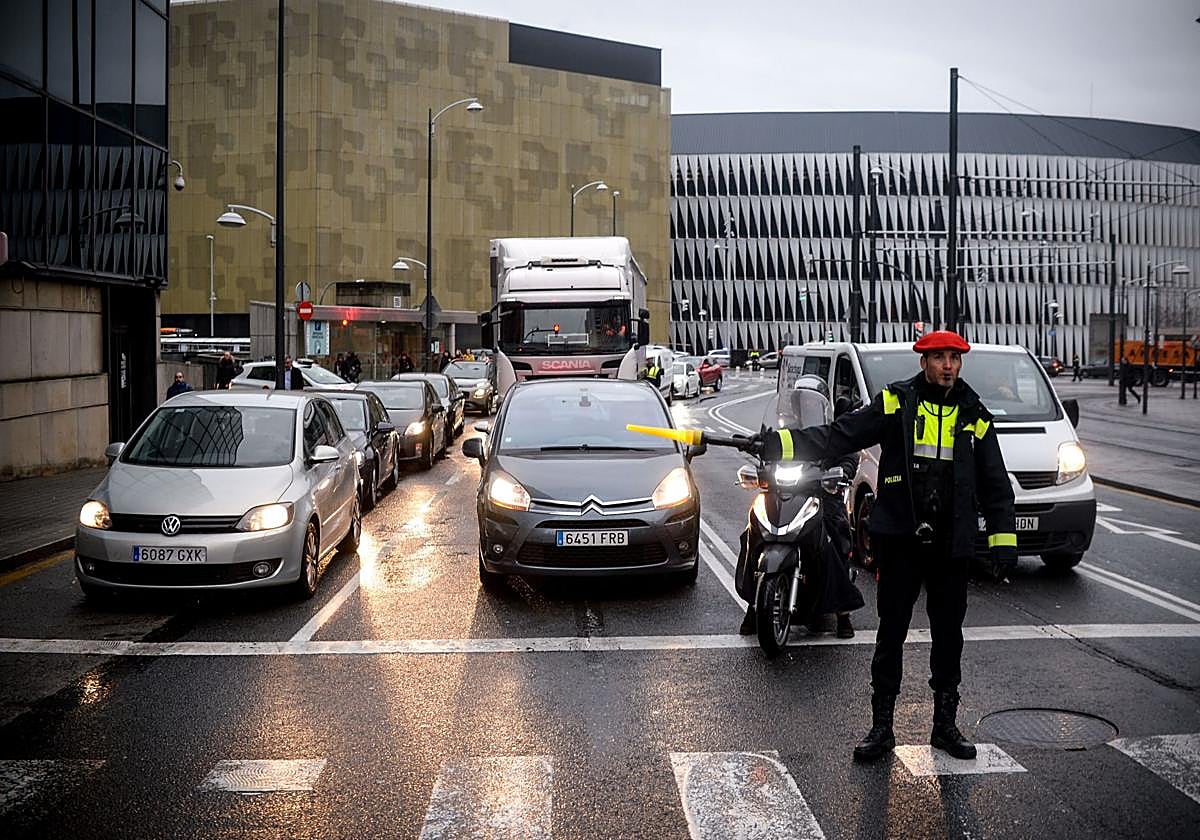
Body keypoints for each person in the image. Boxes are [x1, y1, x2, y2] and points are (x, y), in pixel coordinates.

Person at [753, 330, 1016, 763]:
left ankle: (945, 727)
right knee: (891, 633)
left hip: (951, 546)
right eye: (939, 358)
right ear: (924, 362)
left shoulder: (975, 415)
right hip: (901, 542)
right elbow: (842, 435)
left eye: (954, 358)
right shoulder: (897, 402)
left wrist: (1004, 542)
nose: (948, 365)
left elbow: (996, 486)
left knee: (949, 637)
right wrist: (782, 445)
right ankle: (882, 728)